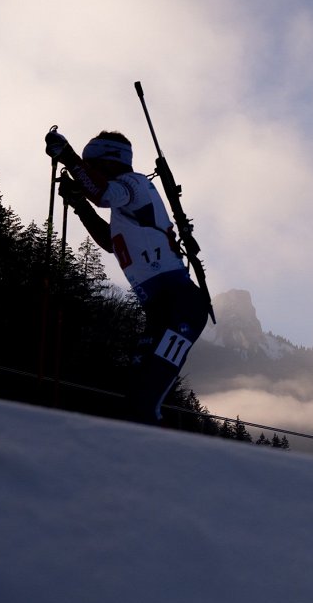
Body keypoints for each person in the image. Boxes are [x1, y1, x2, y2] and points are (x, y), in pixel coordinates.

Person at [44, 128, 210, 424]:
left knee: (146, 395)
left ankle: (153, 453)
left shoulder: (133, 184)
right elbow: (111, 242)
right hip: (162, 310)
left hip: (181, 306)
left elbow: (102, 194)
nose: (88, 171)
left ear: (108, 160)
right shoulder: (126, 204)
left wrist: (68, 158)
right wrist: (80, 204)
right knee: (135, 390)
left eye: (90, 164)